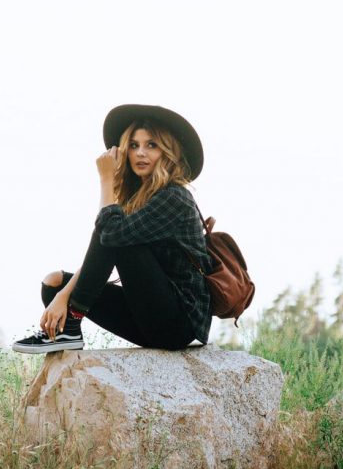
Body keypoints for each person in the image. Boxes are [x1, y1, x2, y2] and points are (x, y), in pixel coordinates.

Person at [12, 104, 213, 354]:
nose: (141, 153)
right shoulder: (138, 198)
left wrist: (106, 179)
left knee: (116, 231)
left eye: (152, 145)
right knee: (54, 283)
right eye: (133, 145)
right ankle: (68, 331)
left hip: (179, 325)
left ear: (168, 152)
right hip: (147, 317)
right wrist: (63, 294)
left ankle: (72, 322)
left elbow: (112, 235)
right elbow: (106, 244)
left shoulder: (175, 197)